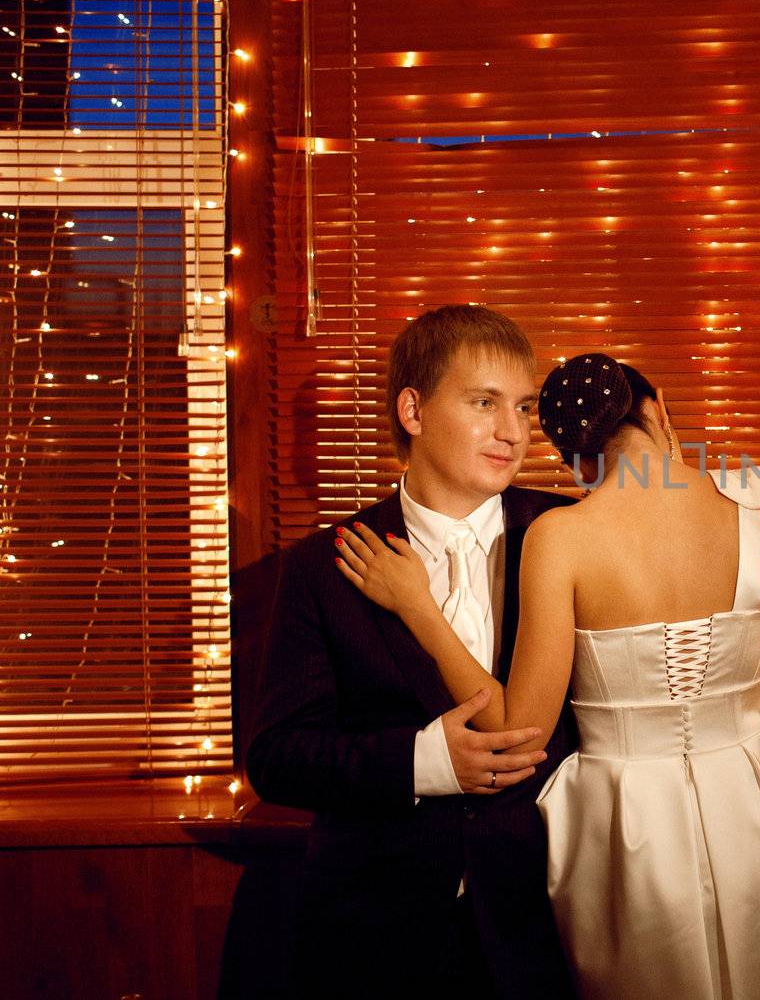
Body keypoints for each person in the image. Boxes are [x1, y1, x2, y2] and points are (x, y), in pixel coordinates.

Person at [336, 352, 760, 999]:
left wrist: (417, 606)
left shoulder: (562, 536)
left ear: (574, 456)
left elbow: (519, 730)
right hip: (757, 809)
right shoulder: (753, 503)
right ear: (659, 407)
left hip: (629, 821)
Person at [245, 305, 578, 999]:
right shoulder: (321, 564)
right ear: (413, 409)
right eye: (484, 402)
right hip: (371, 936)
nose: (514, 432)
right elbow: (277, 756)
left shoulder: (569, 534)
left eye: (523, 406)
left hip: (543, 925)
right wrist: (425, 761)